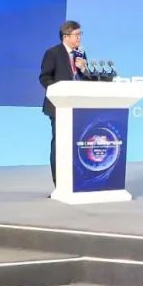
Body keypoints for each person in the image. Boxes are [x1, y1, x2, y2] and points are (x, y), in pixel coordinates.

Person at [38, 21, 88, 184]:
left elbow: (86, 80)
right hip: (59, 106)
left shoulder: (81, 54)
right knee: (60, 145)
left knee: (77, 144)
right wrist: (59, 91)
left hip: (78, 106)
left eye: (80, 34)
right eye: (77, 35)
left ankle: (76, 183)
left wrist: (84, 69)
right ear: (66, 36)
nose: (79, 38)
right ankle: (59, 184)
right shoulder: (53, 53)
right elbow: (45, 77)